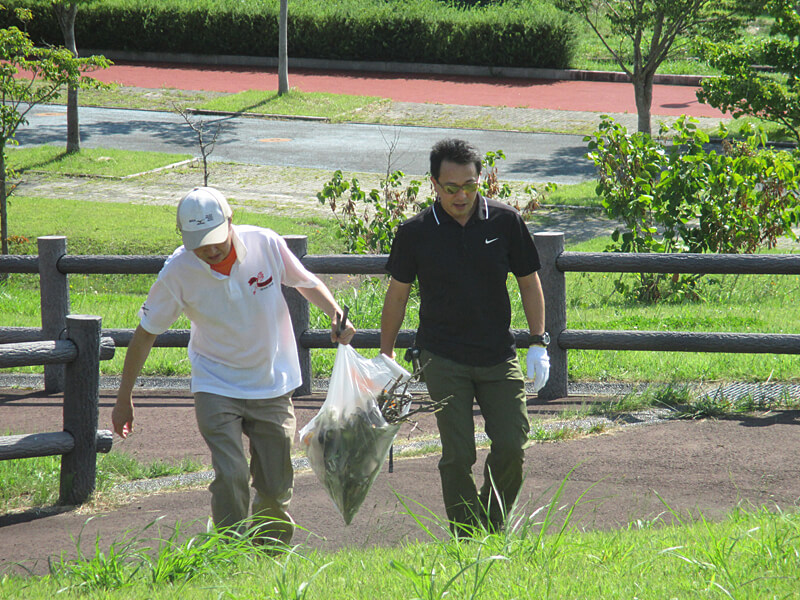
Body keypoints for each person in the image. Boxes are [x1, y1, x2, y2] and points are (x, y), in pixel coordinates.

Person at [112, 186, 354, 546]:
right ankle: (229, 553)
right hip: (215, 382)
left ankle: (269, 556)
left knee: (274, 486)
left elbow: (306, 282)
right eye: (199, 242)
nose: (209, 250)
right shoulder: (177, 271)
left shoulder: (265, 244)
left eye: (215, 239)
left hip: (271, 381)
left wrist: (335, 315)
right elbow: (146, 333)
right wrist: (124, 396)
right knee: (231, 473)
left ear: (230, 221)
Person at [380, 138, 549, 535]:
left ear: (482, 182)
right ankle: (468, 534)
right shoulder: (415, 232)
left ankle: (492, 522)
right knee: (458, 455)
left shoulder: (505, 221)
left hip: (497, 354)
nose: (461, 195)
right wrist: (384, 358)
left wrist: (538, 343)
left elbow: (529, 283)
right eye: (451, 187)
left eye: (470, 185)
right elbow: (397, 296)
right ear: (434, 185)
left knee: (511, 445)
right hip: (442, 356)